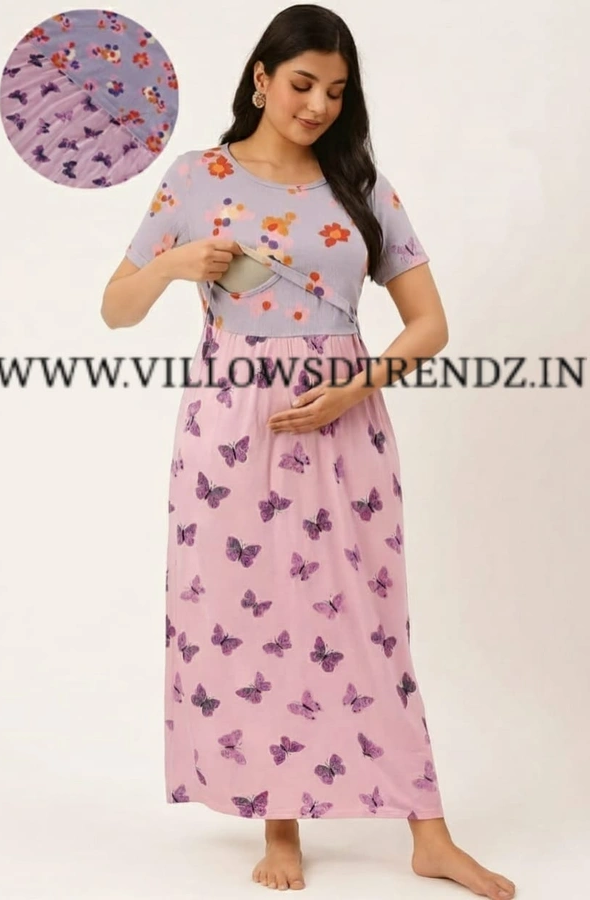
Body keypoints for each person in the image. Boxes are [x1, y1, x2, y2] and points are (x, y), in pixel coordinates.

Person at [101, 5, 516, 898]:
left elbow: (429, 325)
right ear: (260, 79)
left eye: (336, 90)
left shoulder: (359, 185)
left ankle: (429, 834)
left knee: (367, 619)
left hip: (344, 424)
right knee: (249, 617)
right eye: (302, 84)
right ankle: (278, 821)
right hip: (230, 431)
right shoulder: (196, 178)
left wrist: (357, 386)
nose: (319, 105)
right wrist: (174, 266)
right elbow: (115, 309)